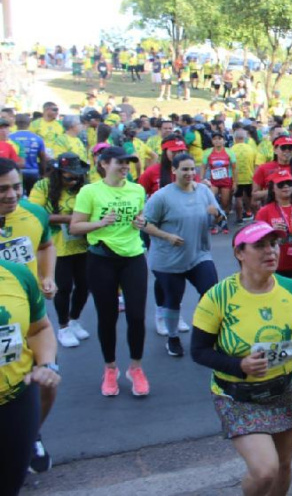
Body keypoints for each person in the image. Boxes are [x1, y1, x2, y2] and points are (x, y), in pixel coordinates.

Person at [190, 221, 292, 496]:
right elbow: (199, 351)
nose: (271, 251)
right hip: (238, 397)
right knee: (265, 471)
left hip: (284, 390)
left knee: (284, 465)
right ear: (240, 253)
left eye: (274, 244)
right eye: (260, 246)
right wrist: (239, 365)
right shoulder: (219, 296)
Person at [70, 147, 150, 397]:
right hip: (101, 259)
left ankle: (135, 368)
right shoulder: (90, 191)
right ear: (103, 164)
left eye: (128, 163)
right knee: (108, 317)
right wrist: (100, 223)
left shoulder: (137, 189)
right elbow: (75, 226)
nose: (125, 166)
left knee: (137, 316)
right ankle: (110, 368)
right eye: (120, 162)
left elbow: (139, 219)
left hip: (133, 257)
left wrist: (141, 223)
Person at [143, 153, 224, 358]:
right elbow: (145, 224)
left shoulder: (204, 191)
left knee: (212, 293)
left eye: (192, 169)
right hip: (168, 259)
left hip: (199, 254)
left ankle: (205, 334)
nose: (189, 173)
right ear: (174, 171)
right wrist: (167, 236)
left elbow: (218, 220)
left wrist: (216, 216)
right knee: (173, 299)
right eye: (184, 169)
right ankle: (173, 338)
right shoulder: (162, 196)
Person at [0, 259, 60, 495]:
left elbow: (39, 329)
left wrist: (47, 365)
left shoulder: (17, 274)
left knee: (9, 483)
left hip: (15, 400)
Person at [28, 153, 91, 348]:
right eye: (69, 176)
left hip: (82, 245)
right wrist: (70, 219)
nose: (73, 180)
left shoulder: (84, 188)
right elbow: (35, 214)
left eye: (77, 176)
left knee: (84, 286)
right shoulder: (43, 186)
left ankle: (74, 319)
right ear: (58, 173)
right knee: (64, 288)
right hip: (57, 246)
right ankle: (63, 327)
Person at [201, 132, 237, 234]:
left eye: (220, 139)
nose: (217, 141)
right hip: (214, 182)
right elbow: (203, 166)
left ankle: (224, 223)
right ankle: (216, 224)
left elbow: (234, 169)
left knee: (225, 203)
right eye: (215, 139)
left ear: (224, 141)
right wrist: (202, 179)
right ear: (212, 141)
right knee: (212, 201)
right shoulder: (208, 152)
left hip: (226, 181)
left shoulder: (229, 152)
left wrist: (235, 183)